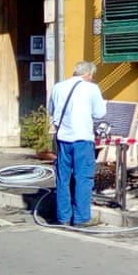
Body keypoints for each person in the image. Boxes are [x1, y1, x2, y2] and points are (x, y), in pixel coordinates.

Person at [48, 60, 108, 228]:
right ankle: (81, 218)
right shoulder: (91, 88)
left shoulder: (58, 87)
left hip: (63, 138)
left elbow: (51, 110)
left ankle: (63, 217)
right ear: (88, 74)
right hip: (82, 138)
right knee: (83, 178)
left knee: (63, 178)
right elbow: (100, 113)